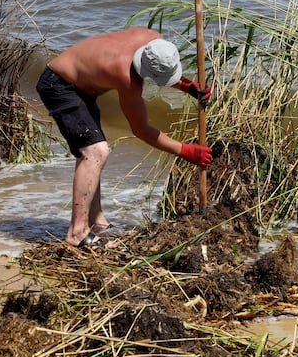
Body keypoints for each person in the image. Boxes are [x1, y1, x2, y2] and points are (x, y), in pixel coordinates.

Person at [36, 28, 213, 248]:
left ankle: (96, 222)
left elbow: (156, 67)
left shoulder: (153, 40)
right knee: (95, 152)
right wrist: (186, 150)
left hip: (82, 85)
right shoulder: (126, 76)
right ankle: (77, 234)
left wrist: (186, 86)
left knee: (92, 151)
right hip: (59, 85)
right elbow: (140, 130)